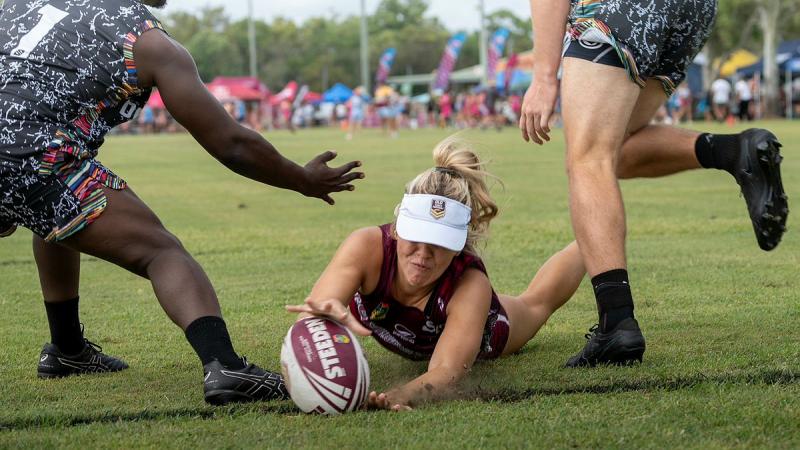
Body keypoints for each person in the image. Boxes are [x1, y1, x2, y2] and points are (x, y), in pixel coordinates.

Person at [0, 0, 363, 405]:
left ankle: (67, 350)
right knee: (161, 252)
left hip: (22, 151)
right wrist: (303, 179)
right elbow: (231, 143)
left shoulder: (22, 4)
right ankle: (225, 366)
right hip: (34, 154)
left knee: (57, 215)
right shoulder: (150, 43)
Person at [519, 0, 787, 367]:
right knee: (615, 150)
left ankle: (616, 323)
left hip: (619, 8)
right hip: (691, 9)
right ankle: (734, 152)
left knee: (588, 158)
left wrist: (543, 76)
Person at [287, 137, 588, 410]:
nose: (423, 254)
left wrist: (400, 394)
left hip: (489, 330)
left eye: (440, 243)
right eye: (415, 237)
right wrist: (320, 317)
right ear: (396, 228)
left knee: (538, 302)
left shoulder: (470, 286)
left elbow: (447, 371)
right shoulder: (366, 247)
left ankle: (593, 237)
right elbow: (309, 317)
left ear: (458, 247)